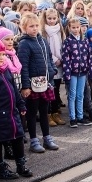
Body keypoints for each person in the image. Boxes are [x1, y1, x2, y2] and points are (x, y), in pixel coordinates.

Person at [0, 38, 32, 179]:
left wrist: (20, 103)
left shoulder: (5, 70)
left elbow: (14, 89)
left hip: (12, 111)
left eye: (3, 54)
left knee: (18, 136)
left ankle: (21, 164)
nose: (2, 58)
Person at [17, 13, 59, 153]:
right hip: (32, 84)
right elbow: (24, 67)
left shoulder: (43, 41)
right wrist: (26, 86)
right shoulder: (24, 44)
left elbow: (49, 59)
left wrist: (52, 72)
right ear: (24, 27)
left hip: (45, 82)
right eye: (31, 26)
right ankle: (34, 140)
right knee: (32, 112)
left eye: (36, 26)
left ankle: (47, 138)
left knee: (44, 111)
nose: (34, 29)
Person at [61, 17, 92, 126]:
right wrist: (67, 73)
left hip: (83, 71)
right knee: (72, 95)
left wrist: (91, 70)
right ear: (69, 28)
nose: (75, 29)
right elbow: (65, 58)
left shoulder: (84, 41)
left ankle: (80, 117)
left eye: (77, 27)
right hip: (72, 72)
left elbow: (89, 57)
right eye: (73, 27)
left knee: (80, 95)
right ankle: (73, 118)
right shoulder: (67, 41)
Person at [39, 6, 66, 126]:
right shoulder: (43, 31)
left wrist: (62, 58)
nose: (51, 20)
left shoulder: (60, 30)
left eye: (54, 18)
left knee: (56, 89)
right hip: (49, 63)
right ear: (45, 18)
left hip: (60, 63)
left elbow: (63, 45)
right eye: (49, 18)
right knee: (49, 89)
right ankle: (48, 114)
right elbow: (45, 49)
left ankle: (56, 112)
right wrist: (54, 59)